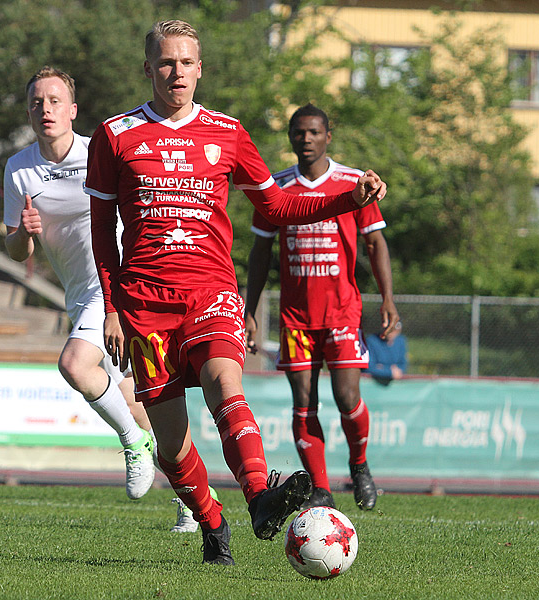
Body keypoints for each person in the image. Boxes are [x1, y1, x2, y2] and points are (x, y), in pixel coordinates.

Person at [86, 20, 387, 566]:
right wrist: (111, 308)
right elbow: (101, 230)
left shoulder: (227, 132)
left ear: (201, 69)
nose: (176, 72)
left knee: (226, 384)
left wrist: (349, 199)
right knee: (173, 447)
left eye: (186, 62)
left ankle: (258, 497)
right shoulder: (115, 135)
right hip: (145, 304)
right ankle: (212, 521)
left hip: (212, 292)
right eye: (165, 62)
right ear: (147, 68)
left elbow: (277, 208)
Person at [2, 66, 156, 501]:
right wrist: (23, 234)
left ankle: (132, 443)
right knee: (139, 404)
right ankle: (194, 499)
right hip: (79, 295)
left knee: (73, 365)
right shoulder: (18, 169)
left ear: (72, 110)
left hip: (114, 284)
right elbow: (17, 253)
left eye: (54, 101)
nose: (44, 109)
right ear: (29, 113)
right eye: (36, 102)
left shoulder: (99, 153)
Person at [244, 103, 399, 513]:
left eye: (314, 132)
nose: (306, 139)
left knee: (348, 396)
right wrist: (250, 310)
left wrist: (387, 299)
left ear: (328, 136)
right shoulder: (276, 188)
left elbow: (375, 243)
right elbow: (260, 252)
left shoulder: (354, 183)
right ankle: (323, 489)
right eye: (299, 132)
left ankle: (360, 465)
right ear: (291, 137)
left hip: (343, 312)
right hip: (296, 318)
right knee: (304, 400)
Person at [366, 320, 407, 385]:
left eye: (394, 330)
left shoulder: (401, 341)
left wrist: (382, 368)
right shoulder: (371, 341)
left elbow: (402, 365)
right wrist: (390, 371)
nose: (391, 333)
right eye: (389, 329)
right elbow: (369, 367)